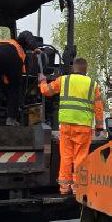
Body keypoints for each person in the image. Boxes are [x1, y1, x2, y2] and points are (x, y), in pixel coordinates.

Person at [38, 57, 105, 194]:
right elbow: (98, 107)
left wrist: (42, 80)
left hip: (66, 125)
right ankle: (77, 188)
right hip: (83, 126)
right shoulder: (93, 84)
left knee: (66, 156)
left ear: (73, 68)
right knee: (80, 157)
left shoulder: (64, 80)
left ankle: (64, 187)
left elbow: (46, 91)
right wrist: (99, 126)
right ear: (86, 70)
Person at [0, 32, 30, 123]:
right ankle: (11, 118)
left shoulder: (1, 42)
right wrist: (36, 48)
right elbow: (19, 74)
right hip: (9, 56)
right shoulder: (19, 49)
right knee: (14, 88)